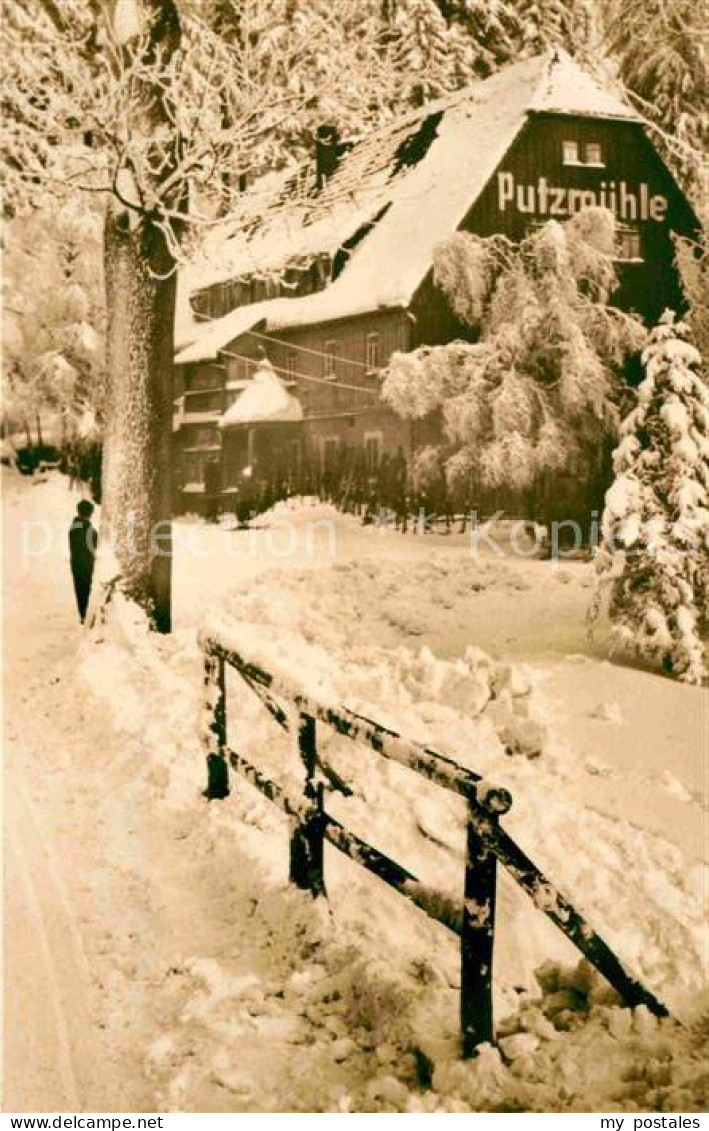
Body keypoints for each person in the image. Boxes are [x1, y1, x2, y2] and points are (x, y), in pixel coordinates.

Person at [69, 499, 98, 623]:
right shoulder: (85, 526)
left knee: (80, 588)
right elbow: (92, 542)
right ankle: (85, 615)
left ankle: (83, 614)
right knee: (85, 588)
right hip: (85, 562)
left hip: (76, 561)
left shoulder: (75, 525)